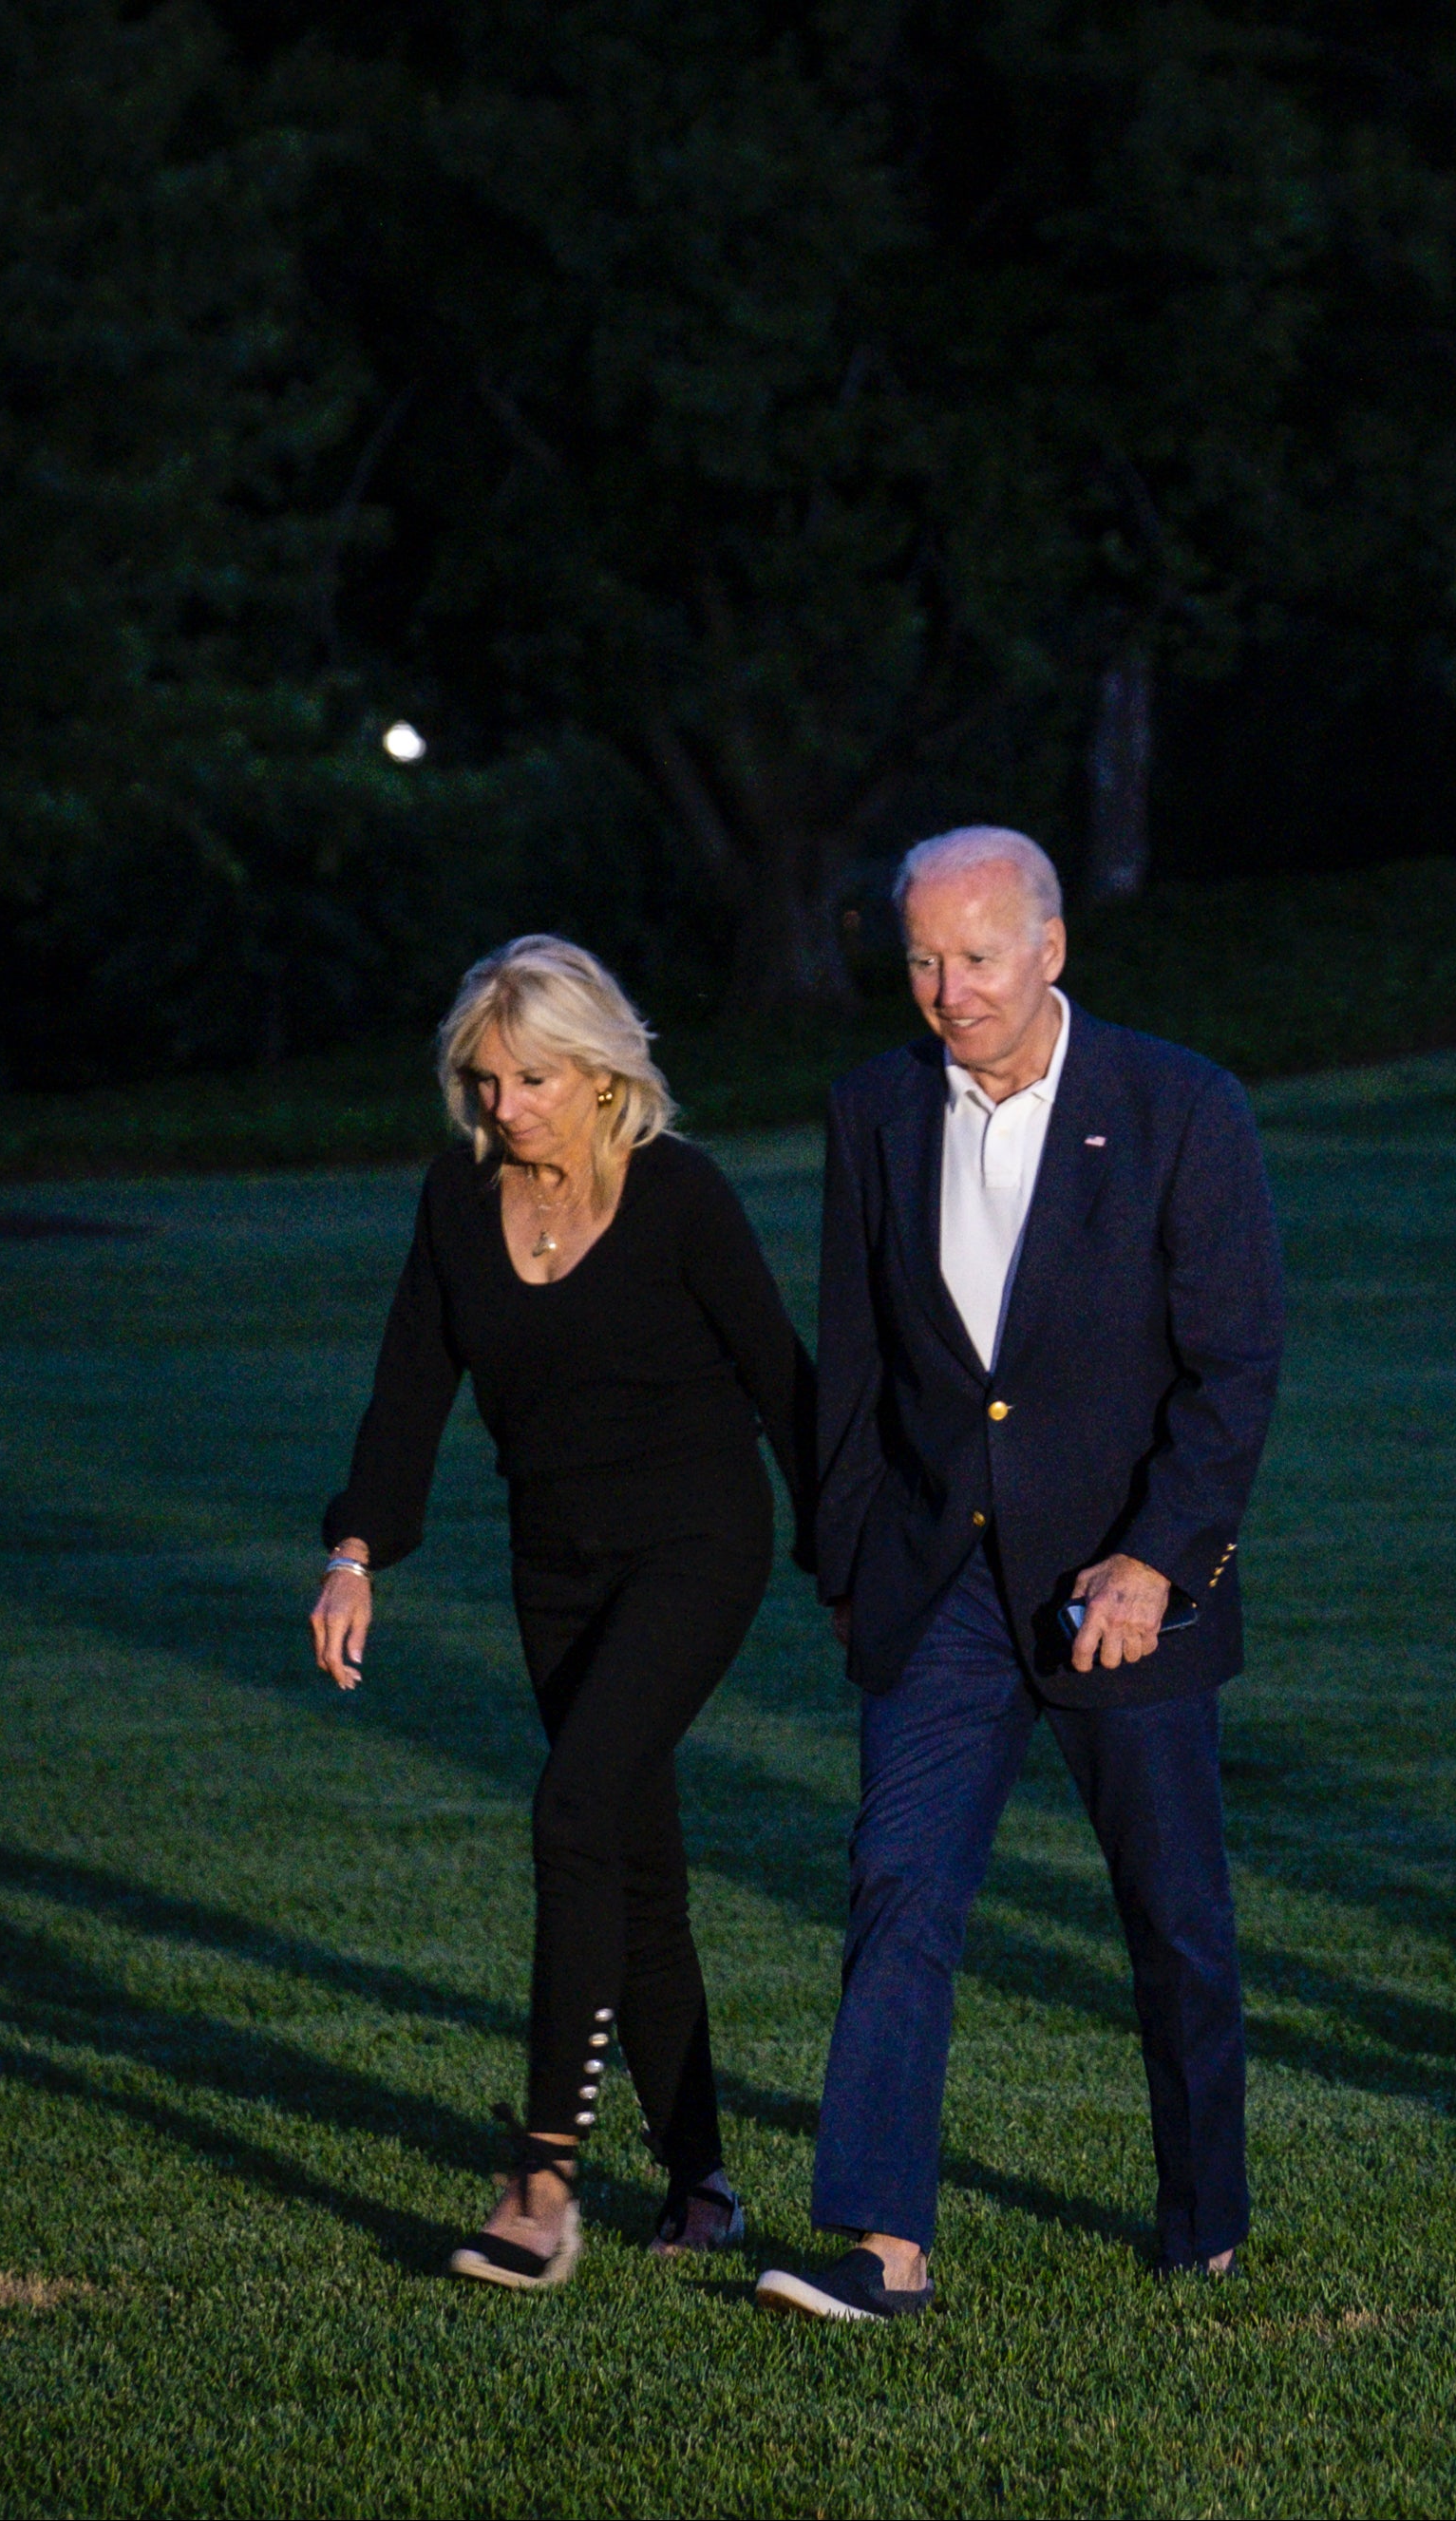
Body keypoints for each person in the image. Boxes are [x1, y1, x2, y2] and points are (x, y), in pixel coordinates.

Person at [752, 826, 1286, 2323]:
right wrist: (846, 1560)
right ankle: (881, 2239)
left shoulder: (1179, 1104)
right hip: (936, 1584)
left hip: (1124, 1586)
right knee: (898, 1885)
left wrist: (1156, 1560)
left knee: (1172, 1912)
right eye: (921, 959)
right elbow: (852, 1365)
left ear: (1052, 949)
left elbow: (1233, 1365)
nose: (947, 989)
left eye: (976, 957)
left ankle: (1205, 2219)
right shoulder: (871, 1110)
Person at [313, 936, 816, 2291]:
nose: (502, 1107)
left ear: (603, 1076)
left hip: (696, 1548)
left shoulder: (681, 1198)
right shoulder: (456, 1198)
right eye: (482, 1081)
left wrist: (856, 1557)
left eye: (531, 1079)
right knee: (632, 1859)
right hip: (559, 1568)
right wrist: (357, 1549)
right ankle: (701, 2181)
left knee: (574, 1809)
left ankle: (541, 2181)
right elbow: (409, 1387)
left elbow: (783, 1380)